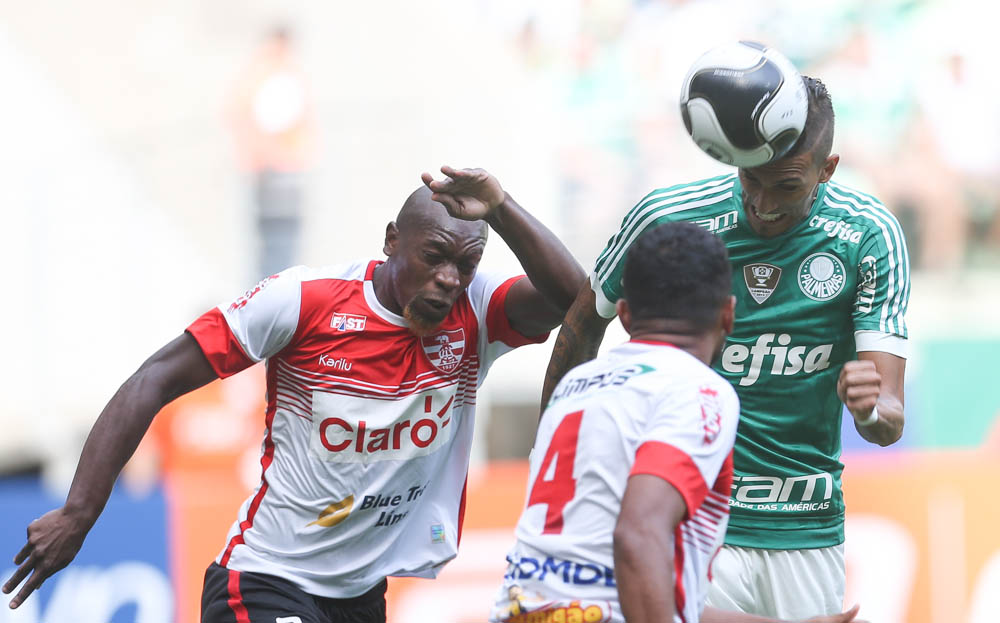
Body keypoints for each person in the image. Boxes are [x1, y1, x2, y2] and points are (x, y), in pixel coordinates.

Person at [3, 166, 586, 623]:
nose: (449, 278)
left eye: (466, 264)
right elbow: (152, 379)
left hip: (360, 596)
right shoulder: (304, 301)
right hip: (265, 581)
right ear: (391, 240)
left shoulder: (477, 311)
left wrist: (501, 206)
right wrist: (79, 512)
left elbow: (576, 301)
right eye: (433, 257)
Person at [540, 77, 909, 619]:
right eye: (750, 178)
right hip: (687, 514)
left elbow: (889, 419)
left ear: (826, 169)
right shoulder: (667, 218)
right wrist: (552, 459)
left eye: (785, 187)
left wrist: (872, 409)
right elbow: (581, 322)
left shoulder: (869, 235)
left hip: (804, 526)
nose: (762, 203)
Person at [491, 222, 865, 623]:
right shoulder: (699, 391)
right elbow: (638, 536)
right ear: (729, 315)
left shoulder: (574, 386)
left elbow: (648, 597)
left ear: (625, 316)